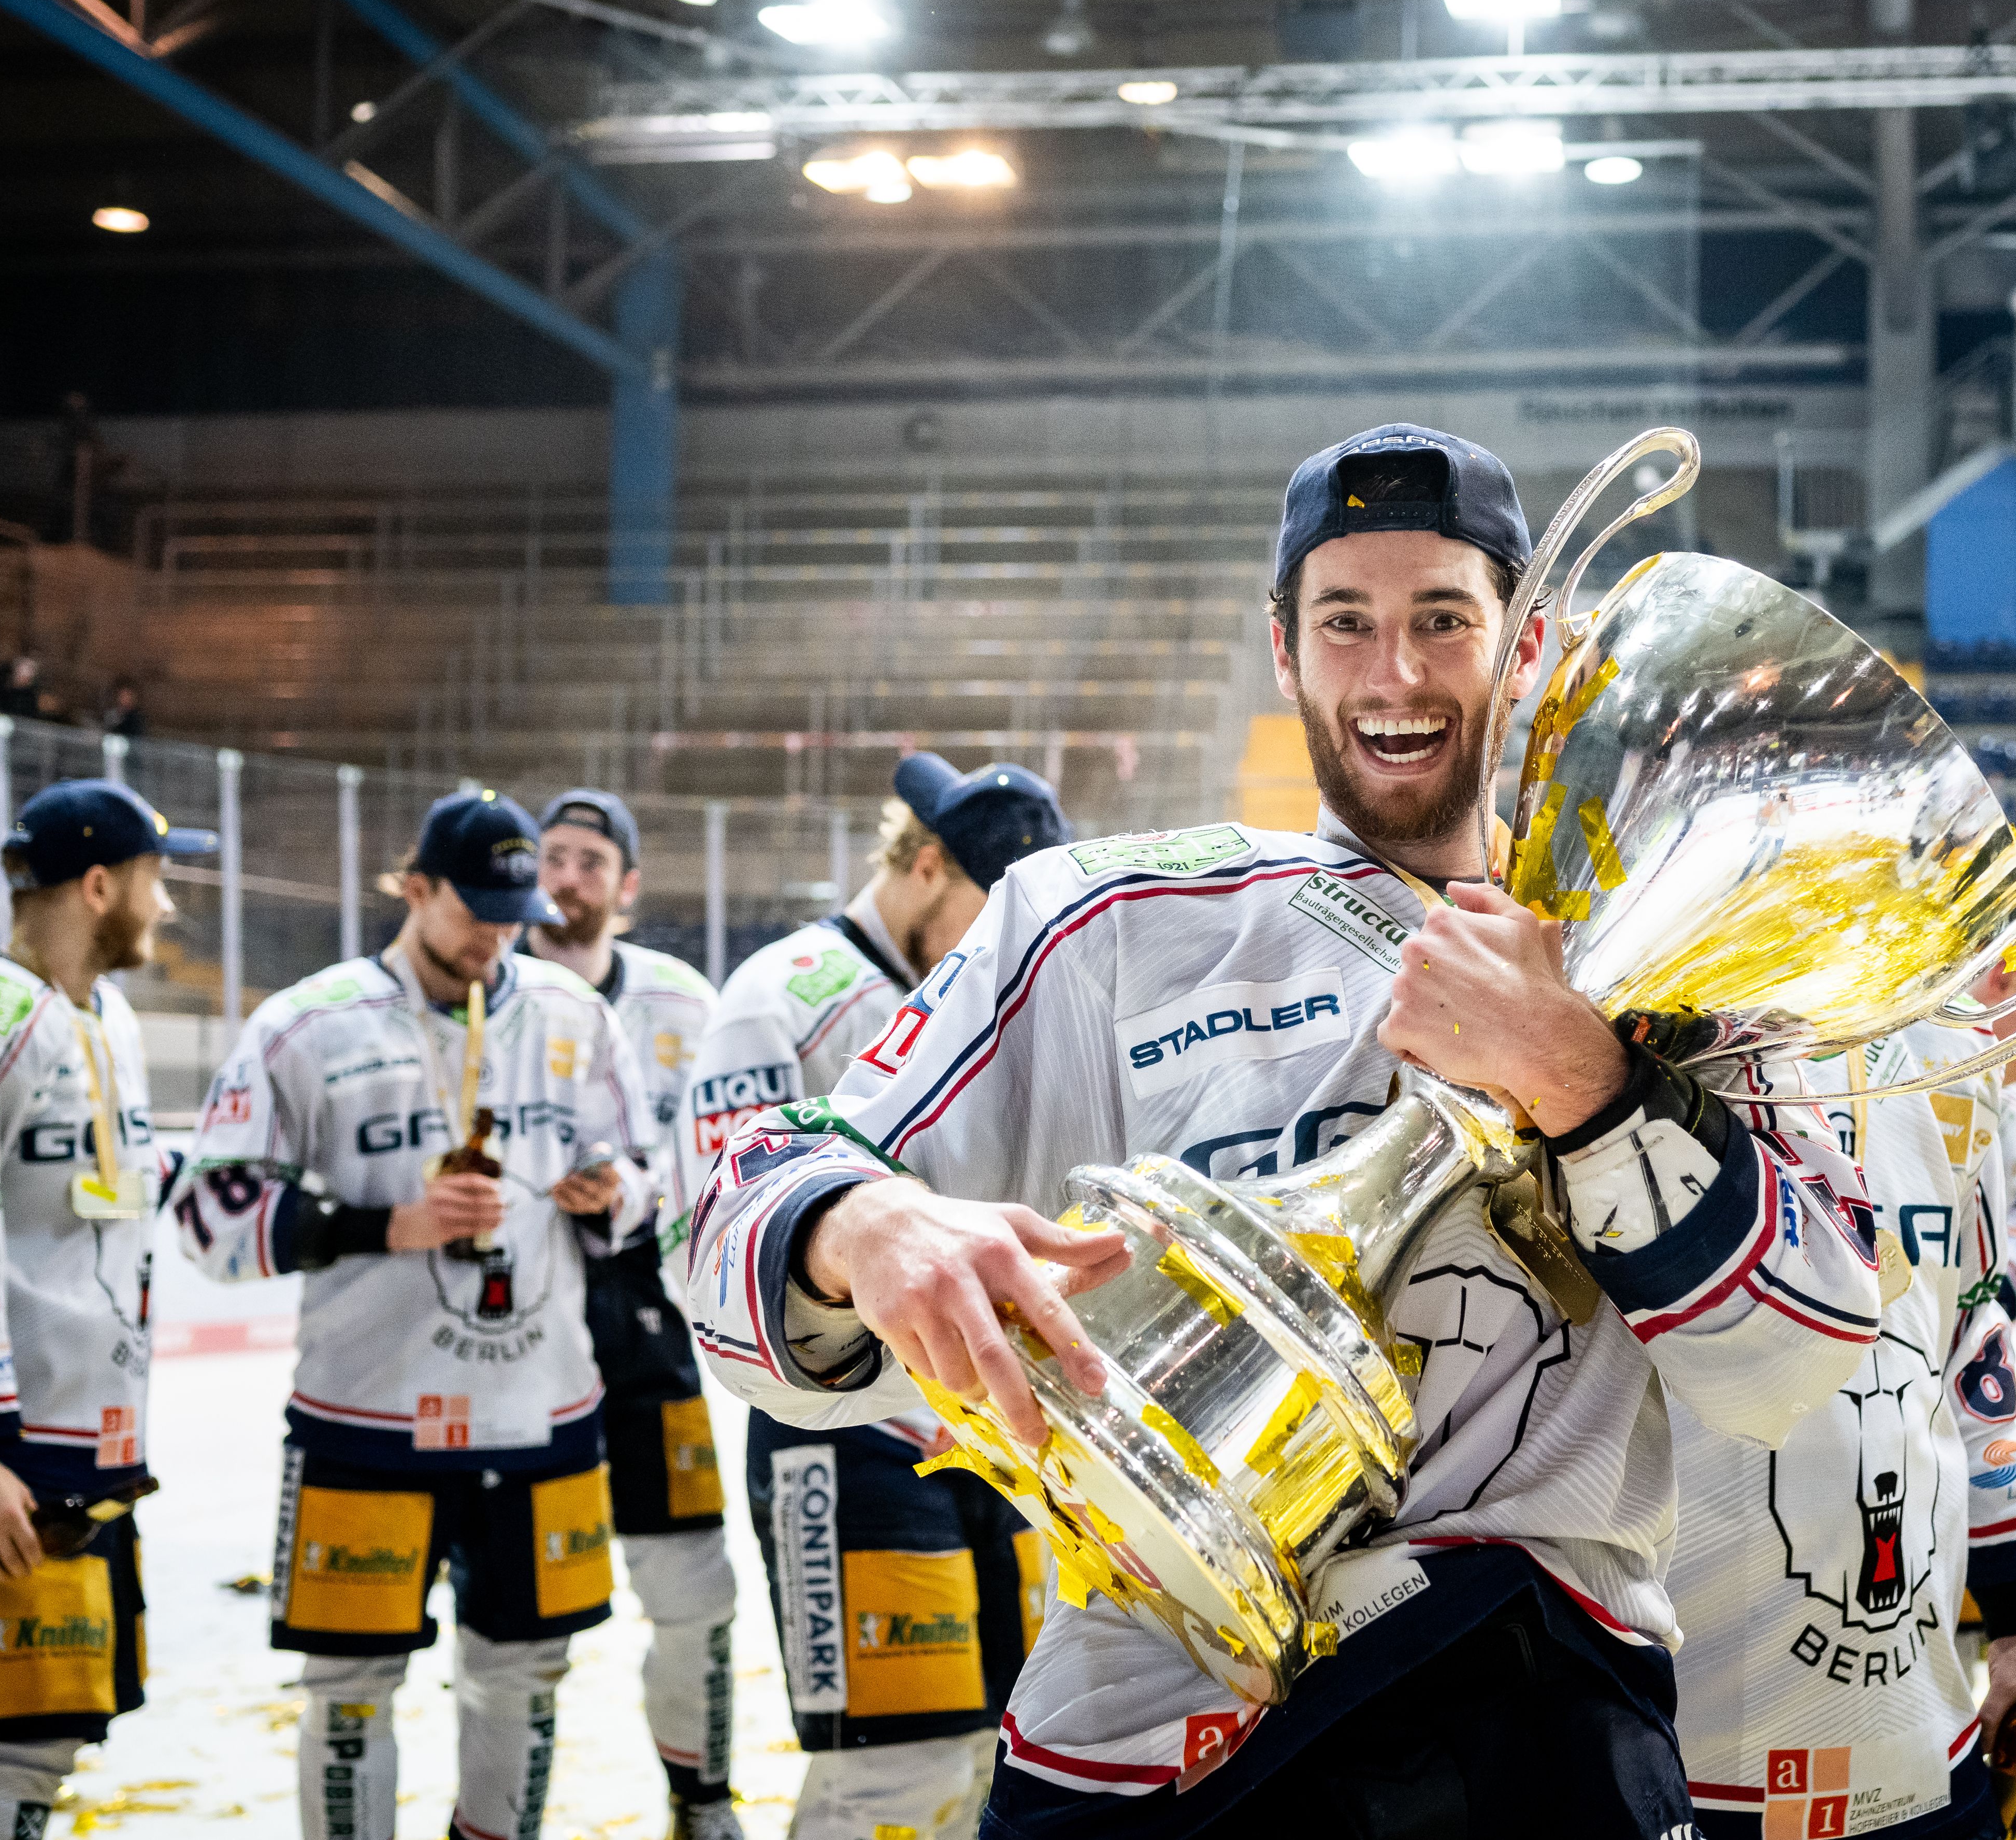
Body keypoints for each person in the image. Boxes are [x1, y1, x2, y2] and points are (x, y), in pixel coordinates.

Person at [680, 422, 1883, 1838]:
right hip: (1152, 1733)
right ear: (1283, 649)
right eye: (1347, 623)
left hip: (1539, 1724)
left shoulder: (1675, 971)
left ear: (1531, 639)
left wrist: (1589, 1086)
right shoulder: (1103, 922)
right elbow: (732, 1234)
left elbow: (1810, 1356)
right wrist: (853, 1224)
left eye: (1444, 618)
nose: (1397, 673)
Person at [167, 788, 650, 1840]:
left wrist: (618, 1197)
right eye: (472, 906)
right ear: (414, 886)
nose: (497, 932)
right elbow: (205, 1212)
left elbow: (654, 1178)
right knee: (347, 1686)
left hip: (540, 1413)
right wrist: (389, 1224)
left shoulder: (576, 1014)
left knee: (525, 1673)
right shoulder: (307, 1021)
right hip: (364, 1416)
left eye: (513, 911)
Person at [1666, 897, 2016, 1840]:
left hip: (1916, 1735)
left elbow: (1973, 1356)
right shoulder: (1622, 1023)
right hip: (1675, 1736)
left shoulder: (1949, 1065)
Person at [684, 754, 1068, 1840]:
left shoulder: (1006, 987)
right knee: (898, 1772)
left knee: (1006, 1756)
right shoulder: (781, 994)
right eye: (992, 916)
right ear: (927, 862)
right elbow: (706, 1242)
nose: (1008, 949)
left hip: (1000, 1431)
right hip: (845, 1435)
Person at [0, 779, 213, 1835]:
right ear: (99, 885)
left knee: (40, 1748)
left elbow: (95, 1198)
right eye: (154, 879)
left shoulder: (104, 1014)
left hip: (82, 1446)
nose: (164, 906)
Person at [526, 788, 745, 1840]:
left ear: (626, 886)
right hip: (514, 1338)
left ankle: (702, 1803)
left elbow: (719, 1166)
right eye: (549, 856)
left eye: (585, 860)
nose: (562, 875)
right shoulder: (495, 983)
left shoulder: (681, 1000)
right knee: (520, 1622)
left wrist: (635, 1195)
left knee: (693, 1586)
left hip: (648, 1325)